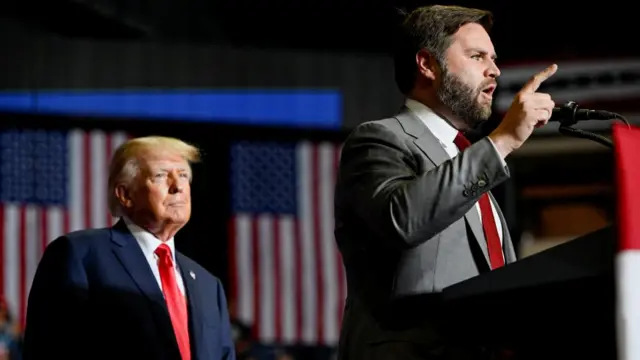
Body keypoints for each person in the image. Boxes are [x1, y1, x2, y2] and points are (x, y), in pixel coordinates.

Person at [334, 5, 557, 360]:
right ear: (427, 64)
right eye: (477, 56)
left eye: (494, 58)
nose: (495, 70)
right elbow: (402, 220)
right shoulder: (379, 139)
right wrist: (502, 140)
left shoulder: (468, 157)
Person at [23, 136, 235, 360]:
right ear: (125, 194)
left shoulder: (209, 285)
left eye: (183, 175)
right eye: (161, 175)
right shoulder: (80, 256)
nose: (178, 186)